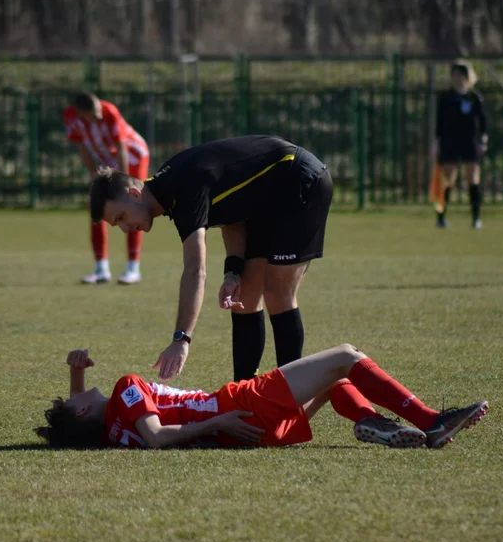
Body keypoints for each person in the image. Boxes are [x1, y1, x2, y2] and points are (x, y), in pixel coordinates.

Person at [89, 135, 334, 383]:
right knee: (245, 298)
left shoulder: (182, 190)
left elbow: (195, 270)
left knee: (277, 292)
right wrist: (233, 271)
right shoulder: (168, 189)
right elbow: (229, 212)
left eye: (120, 217)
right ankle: (242, 392)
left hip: (297, 178)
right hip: (267, 199)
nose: (124, 228)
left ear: (134, 194)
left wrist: (181, 339)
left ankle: (291, 392)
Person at [35, 346, 488, 450]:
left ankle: (373, 424)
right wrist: (217, 421)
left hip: (252, 434)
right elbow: (155, 437)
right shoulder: (123, 391)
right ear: (80, 409)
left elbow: (79, 415)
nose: (78, 392)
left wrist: (76, 372)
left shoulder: (109, 431)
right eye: (75, 395)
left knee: (334, 382)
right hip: (240, 407)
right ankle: (430, 422)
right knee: (346, 357)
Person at [63, 92, 150, 285]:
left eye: (98, 110)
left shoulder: (109, 111)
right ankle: (101, 268)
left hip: (133, 157)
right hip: (108, 161)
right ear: (80, 113)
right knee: (97, 208)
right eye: (93, 114)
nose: (99, 116)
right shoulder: (71, 116)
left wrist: (125, 183)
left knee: (133, 206)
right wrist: (94, 175)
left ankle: (132, 268)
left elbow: (121, 148)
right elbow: (83, 148)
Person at [433, 60, 488, 229]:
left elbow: (484, 122)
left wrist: (483, 140)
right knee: (447, 180)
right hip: (450, 142)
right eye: (453, 74)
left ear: (466, 76)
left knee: (472, 179)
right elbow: (439, 124)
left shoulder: (474, 97)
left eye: (458, 74)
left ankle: (476, 218)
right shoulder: (446, 98)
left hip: (469, 142)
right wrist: (436, 144)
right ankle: (441, 217)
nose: (455, 77)